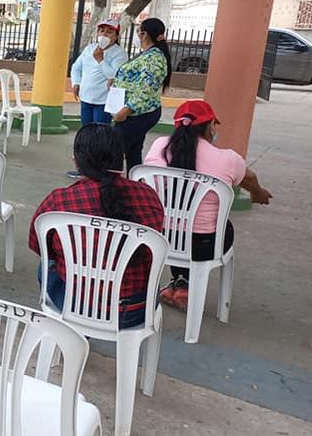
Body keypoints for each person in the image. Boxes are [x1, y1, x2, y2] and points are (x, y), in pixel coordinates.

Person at [29, 124, 165, 329]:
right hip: (135, 311)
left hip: (72, 304)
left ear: (76, 161)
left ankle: (71, 332)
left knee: (46, 264)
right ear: (121, 158)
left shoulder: (60, 201)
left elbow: (39, 245)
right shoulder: (148, 196)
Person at [144, 99, 272, 310]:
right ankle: (185, 285)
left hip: (160, 238)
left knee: (178, 226)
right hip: (204, 246)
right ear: (210, 126)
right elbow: (249, 178)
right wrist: (259, 194)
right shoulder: (227, 159)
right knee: (220, 227)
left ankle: (180, 282)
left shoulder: (159, 146)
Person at [112, 17, 172, 171]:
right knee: (133, 151)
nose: (137, 35)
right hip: (134, 112)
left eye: (138, 31)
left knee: (113, 151)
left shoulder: (154, 59)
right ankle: (134, 181)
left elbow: (146, 89)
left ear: (144, 34)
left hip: (137, 114)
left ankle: (111, 182)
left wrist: (125, 111)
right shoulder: (147, 54)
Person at [71, 18, 129, 126]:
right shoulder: (89, 48)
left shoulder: (120, 54)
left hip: (104, 101)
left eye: (109, 32)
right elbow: (76, 67)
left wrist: (100, 60)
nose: (104, 34)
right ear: (97, 33)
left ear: (116, 37)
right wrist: (76, 83)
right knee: (86, 129)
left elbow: (114, 76)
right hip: (86, 97)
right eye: (102, 31)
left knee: (100, 130)